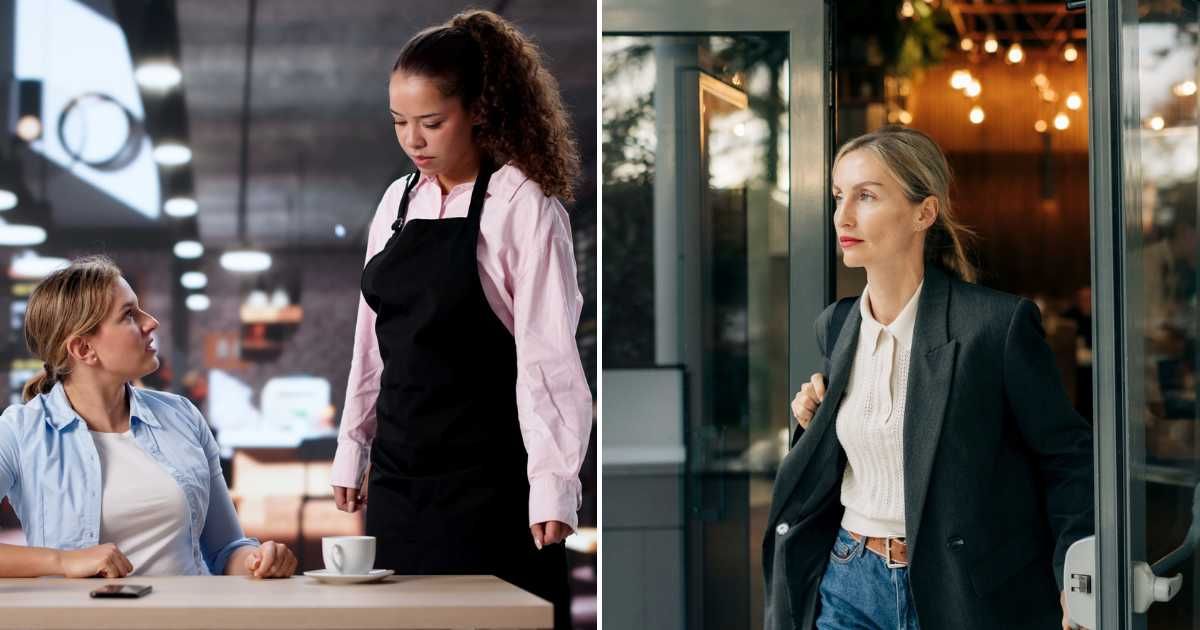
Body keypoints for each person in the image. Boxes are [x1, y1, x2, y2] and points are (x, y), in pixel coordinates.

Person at [763, 127, 1094, 630]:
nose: (842, 216)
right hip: (847, 579)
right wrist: (814, 420)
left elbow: (1067, 456)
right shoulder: (837, 325)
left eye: (866, 196)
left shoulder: (994, 327)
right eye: (838, 196)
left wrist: (1076, 573)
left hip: (958, 591)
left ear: (924, 212)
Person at [330, 10, 591, 629]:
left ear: (478, 110)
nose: (413, 141)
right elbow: (371, 344)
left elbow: (548, 357)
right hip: (399, 479)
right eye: (399, 123)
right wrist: (353, 446)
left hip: (490, 482)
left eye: (431, 122)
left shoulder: (523, 203)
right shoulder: (396, 202)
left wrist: (554, 484)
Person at [0, 256, 296, 578]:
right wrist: (62, 561)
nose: (150, 322)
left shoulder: (183, 417)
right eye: (129, 315)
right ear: (84, 349)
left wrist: (258, 559)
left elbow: (227, 548)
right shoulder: (20, 432)